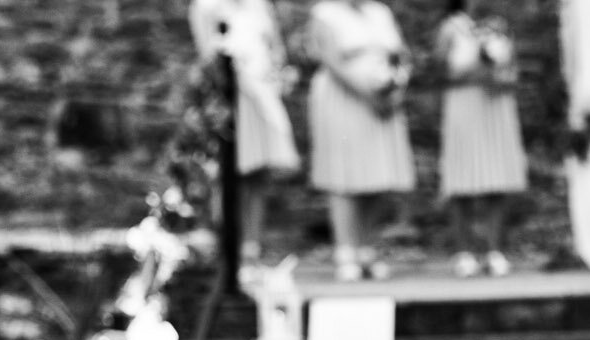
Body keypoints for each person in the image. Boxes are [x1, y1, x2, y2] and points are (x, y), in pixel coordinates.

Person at [308, 0, 415, 281]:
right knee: (345, 174)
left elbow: (400, 55)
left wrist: (395, 88)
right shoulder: (325, 13)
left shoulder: (380, 13)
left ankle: (367, 248)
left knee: (377, 173)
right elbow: (330, 59)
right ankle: (346, 250)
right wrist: (367, 93)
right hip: (343, 97)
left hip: (383, 101)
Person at [189, 0, 302, 269]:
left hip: (263, 92)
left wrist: (277, 75)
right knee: (229, 173)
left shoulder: (259, 4)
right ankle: (228, 246)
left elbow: (276, 49)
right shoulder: (206, 6)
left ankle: (252, 246)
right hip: (230, 97)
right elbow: (207, 54)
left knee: (258, 171)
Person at [436, 0, 527, 279]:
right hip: (464, 105)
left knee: (496, 178)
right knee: (462, 179)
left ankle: (494, 250)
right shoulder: (451, 28)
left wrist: (500, 74)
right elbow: (440, 70)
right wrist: (477, 62)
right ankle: (463, 252)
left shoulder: (499, 26)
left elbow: (513, 67)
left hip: (495, 105)